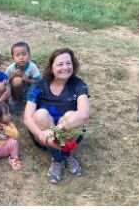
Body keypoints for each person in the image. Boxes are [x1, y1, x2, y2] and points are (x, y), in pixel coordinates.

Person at [24, 48, 90, 184]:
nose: (65, 67)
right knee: (40, 115)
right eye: (60, 64)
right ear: (51, 67)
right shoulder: (39, 85)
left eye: (69, 63)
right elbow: (27, 118)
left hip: (67, 132)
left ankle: (68, 154)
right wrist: (41, 134)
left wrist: (56, 130)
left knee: (72, 115)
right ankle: (57, 158)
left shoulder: (78, 84)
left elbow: (84, 114)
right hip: (44, 134)